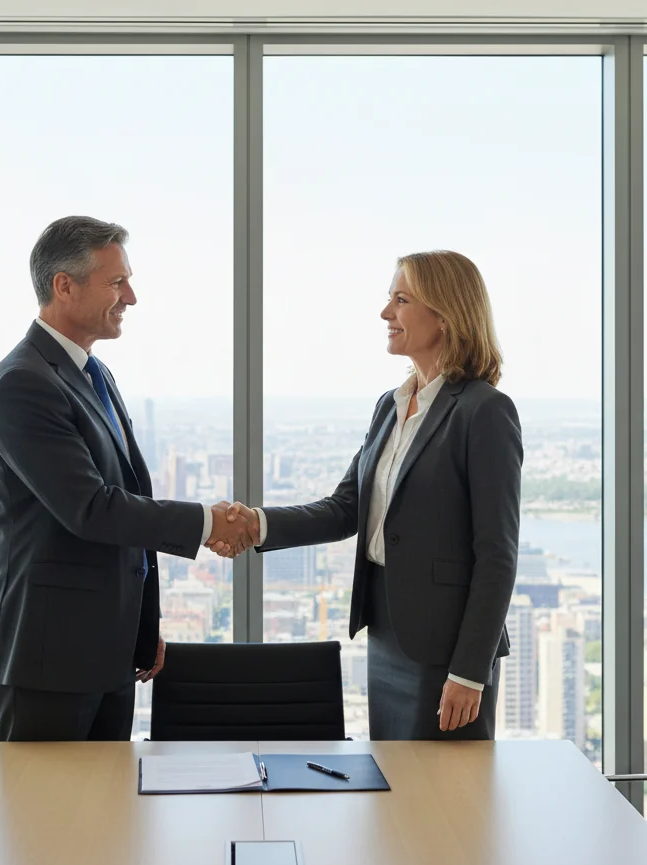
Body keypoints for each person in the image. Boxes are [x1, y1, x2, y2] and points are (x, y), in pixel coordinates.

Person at [219, 250, 522, 740]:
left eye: (400, 300)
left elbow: (497, 556)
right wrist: (256, 524)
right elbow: (344, 509)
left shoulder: (484, 412)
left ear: (444, 316)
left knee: (443, 802)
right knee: (392, 791)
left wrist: (470, 671)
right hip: (387, 634)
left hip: (448, 649)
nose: (386, 314)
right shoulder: (391, 405)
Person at [0, 216, 252, 742]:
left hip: (107, 651)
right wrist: (207, 521)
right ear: (64, 285)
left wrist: (142, 629)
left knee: (105, 817)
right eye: (116, 282)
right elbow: (92, 509)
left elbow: (128, 502)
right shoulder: (22, 384)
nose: (131, 296)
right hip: (48, 660)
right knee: (47, 819)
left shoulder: (92, 372)